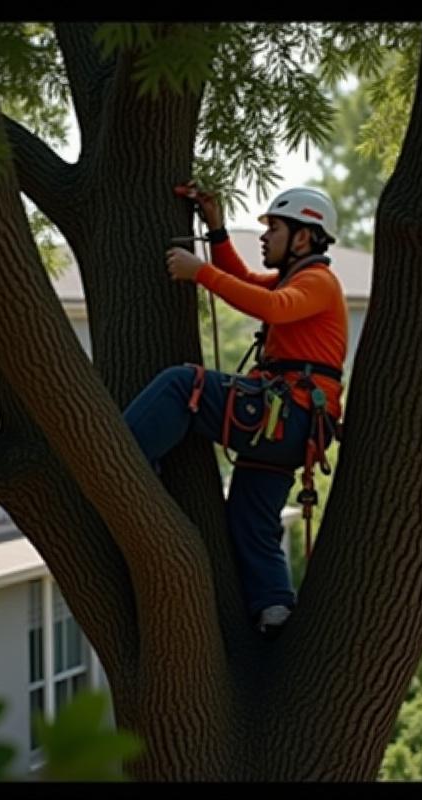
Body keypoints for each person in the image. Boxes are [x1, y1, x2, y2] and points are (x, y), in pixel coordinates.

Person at [123, 182, 348, 636]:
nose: (265, 236)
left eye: (276, 228)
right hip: (288, 432)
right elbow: (248, 282)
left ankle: (115, 462)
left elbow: (271, 306)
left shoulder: (318, 282)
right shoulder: (298, 278)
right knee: (250, 523)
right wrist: (217, 229)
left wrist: (199, 272)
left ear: (303, 238)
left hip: (287, 418)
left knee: (181, 384)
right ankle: (274, 611)